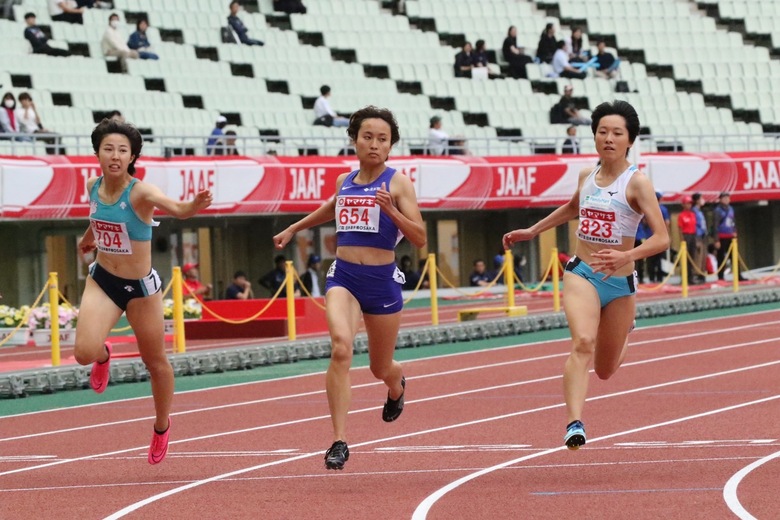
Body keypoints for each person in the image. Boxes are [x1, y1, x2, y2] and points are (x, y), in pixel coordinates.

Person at [503, 100, 669, 450]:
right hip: (583, 273)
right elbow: (573, 207)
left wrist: (627, 254)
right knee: (582, 343)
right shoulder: (586, 176)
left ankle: (626, 331)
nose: (608, 138)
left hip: (620, 282)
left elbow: (662, 238)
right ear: (594, 136)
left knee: (606, 369)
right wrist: (533, 231)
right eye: (602, 131)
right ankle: (574, 422)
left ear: (630, 140)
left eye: (617, 133)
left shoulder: (637, 183)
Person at [272, 105, 426, 470]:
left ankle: (396, 385)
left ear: (391, 146)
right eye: (367, 137)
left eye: (382, 139)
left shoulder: (398, 182)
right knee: (341, 348)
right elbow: (331, 207)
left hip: (382, 282)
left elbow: (419, 238)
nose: (374, 144)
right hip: (344, 277)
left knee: (379, 366)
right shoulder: (345, 182)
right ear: (354, 140)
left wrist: (392, 211)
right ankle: (339, 440)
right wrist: (295, 228)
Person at [75, 117, 212, 464]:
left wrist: (193, 205)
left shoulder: (141, 192)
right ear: (98, 153)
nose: (115, 155)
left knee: (156, 363)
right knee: (82, 352)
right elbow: (98, 217)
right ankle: (103, 356)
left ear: (133, 156)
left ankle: (162, 426)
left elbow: (179, 210)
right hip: (103, 279)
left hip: (140, 289)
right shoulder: (92, 185)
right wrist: (89, 240)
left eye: (123, 150)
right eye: (109, 149)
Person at [712, 192, 743, 281]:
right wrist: (716, 239)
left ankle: (738, 276)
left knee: (735, 257)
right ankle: (721, 277)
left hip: (730, 237)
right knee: (721, 258)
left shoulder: (731, 209)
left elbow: (733, 222)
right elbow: (715, 225)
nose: (726, 200)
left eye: (727, 198)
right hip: (721, 237)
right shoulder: (717, 210)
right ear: (720, 199)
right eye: (724, 198)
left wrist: (735, 231)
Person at [646, 191, 670, 282]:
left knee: (650, 259)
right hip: (659, 237)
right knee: (659, 259)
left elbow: (644, 221)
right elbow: (667, 222)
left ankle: (652, 278)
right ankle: (660, 278)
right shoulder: (663, 209)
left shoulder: (648, 208)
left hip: (650, 237)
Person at [677, 195, 698, 283]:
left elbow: (695, 226)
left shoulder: (693, 214)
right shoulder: (681, 215)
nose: (689, 205)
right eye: (687, 203)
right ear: (683, 205)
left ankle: (691, 277)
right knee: (685, 258)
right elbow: (680, 229)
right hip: (686, 236)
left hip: (693, 236)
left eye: (690, 203)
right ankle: (684, 277)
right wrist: (682, 240)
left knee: (692, 257)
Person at [691, 192, 707, 283]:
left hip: (703, 236)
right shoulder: (694, 211)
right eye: (701, 198)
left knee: (703, 257)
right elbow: (695, 225)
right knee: (697, 257)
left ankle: (702, 273)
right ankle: (696, 274)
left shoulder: (700, 211)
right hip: (698, 236)